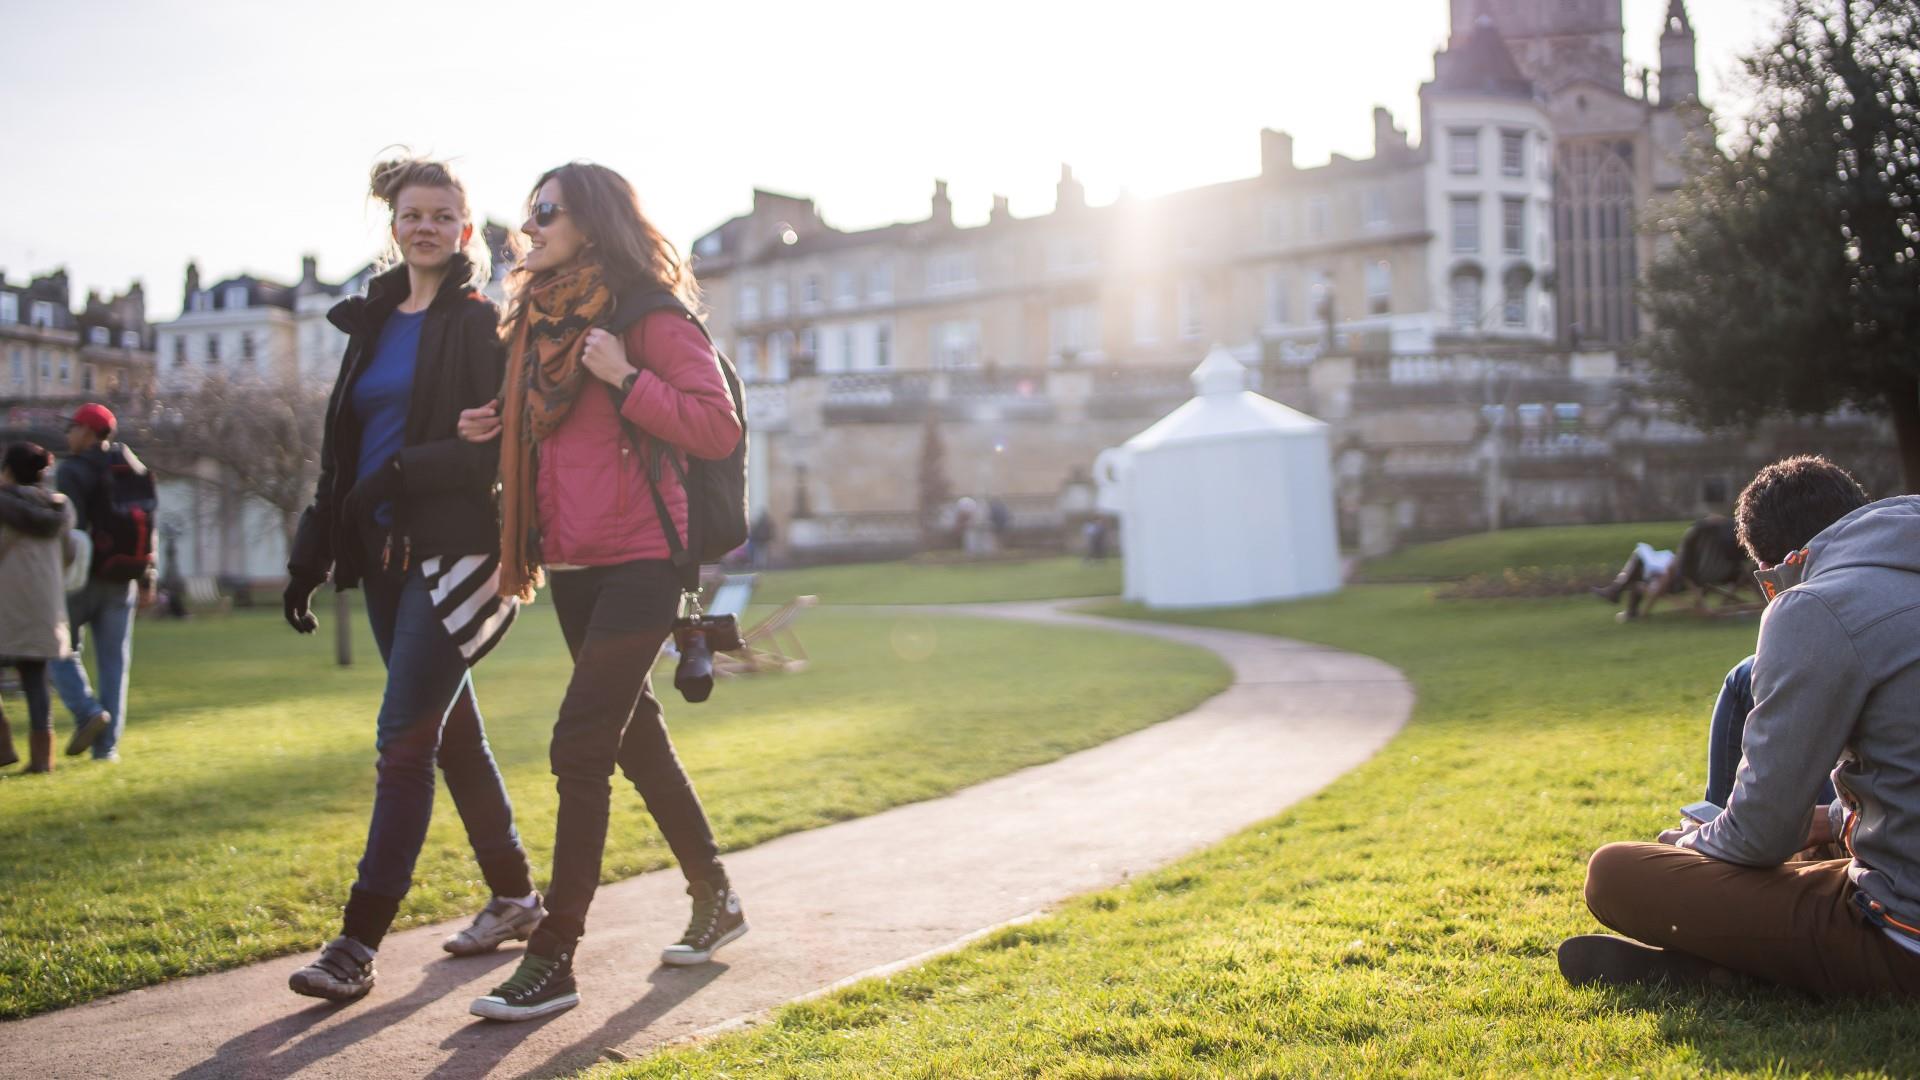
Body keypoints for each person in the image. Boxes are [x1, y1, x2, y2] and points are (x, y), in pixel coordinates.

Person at [457, 162, 745, 1022]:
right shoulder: (536, 325)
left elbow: (714, 425)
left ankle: (556, 957)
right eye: (527, 211)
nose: (530, 224)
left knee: (579, 747)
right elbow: (558, 437)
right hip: (576, 564)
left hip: (644, 562)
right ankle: (718, 895)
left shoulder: (647, 317)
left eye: (548, 211)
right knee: (635, 741)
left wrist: (625, 376)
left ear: (593, 221)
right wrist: (497, 425)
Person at [281, 156, 540, 1003]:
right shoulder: (372, 324)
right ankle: (514, 897)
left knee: (404, 742)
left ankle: (356, 944)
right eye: (411, 214)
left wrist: (399, 474)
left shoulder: (476, 321)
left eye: (442, 215)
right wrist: (309, 556)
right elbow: (340, 456)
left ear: (465, 231)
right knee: (451, 732)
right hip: (383, 561)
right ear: (392, 227)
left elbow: (488, 448)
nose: (425, 226)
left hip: (455, 555)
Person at [1563, 456, 1920, 996]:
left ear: (1778, 566)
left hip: (1902, 934)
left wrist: (1693, 848)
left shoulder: (1816, 604)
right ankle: (1729, 963)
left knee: (1612, 872)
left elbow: (1759, 837)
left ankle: (1734, 968)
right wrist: (1826, 821)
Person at [50, 402, 153, 761]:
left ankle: (87, 710)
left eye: (72, 428)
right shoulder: (131, 466)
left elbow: (70, 531)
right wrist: (147, 577)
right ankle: (106, 749)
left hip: (81, 578)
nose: (68, 434)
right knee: (114, 663)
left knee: (57, 648)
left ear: (89, 433)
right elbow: (146, 523)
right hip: (122, 578)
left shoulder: (71, 471)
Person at [0, 443, 77, 774]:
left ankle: (2, 748)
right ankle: (43, 759)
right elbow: (70, 552)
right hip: (44, 606)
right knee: (35, 679)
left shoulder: (4, 509)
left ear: (8, 470)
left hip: (6, 604)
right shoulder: (59, 509)